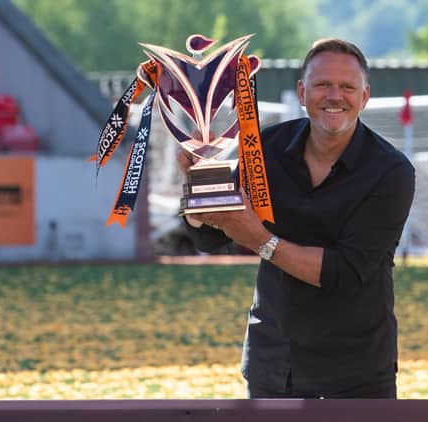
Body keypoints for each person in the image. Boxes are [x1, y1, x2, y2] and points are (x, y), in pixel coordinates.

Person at [177, 38, 415, 399]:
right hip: (273, 366)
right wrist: (199, 186)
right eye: (322, 85)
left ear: (364, 97)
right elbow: (208, 238)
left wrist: (260, 239)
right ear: (302, 92)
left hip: (356, 374)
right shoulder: (264, 149)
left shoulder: (390, 171)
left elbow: (345, 273)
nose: (334, 96)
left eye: (347, 87)